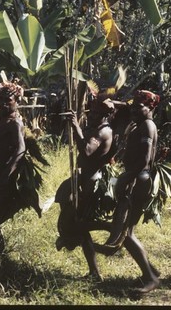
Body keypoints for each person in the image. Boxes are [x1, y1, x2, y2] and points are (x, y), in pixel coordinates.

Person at [96, 89, 161, 293]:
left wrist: (126, 177)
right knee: (127, 231)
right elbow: (126, 107)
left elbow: (144, 159)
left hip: (138, 179)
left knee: (126, 232)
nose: (134, 110)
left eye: (138, 107)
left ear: (150, 107)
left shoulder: (148, 126)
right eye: (132, 107)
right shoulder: (141, 124)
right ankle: (150, 272)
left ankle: (150, 278)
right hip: (136, 177)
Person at [0, 82, 42, 254]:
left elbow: (21, 149)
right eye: (3, 100)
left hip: (6, 176)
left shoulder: (16, 123)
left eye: (9, 100)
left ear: (17, 101)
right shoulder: (4, 119)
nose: (5, 103)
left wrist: (7, 174)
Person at [54, 97, 116, 281]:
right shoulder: (98, 128)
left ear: (105, 115)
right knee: (79, 224)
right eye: (92, 112)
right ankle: (93, 271)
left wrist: (75, 126)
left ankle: (105, 230)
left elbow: (87, 150)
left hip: (90, 184)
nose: (92, 115)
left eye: (97, 113)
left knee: (80, 224)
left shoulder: (104, 131)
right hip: (82, 180)